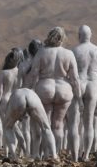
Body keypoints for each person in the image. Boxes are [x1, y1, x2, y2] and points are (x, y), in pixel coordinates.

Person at [29, 27, 80, 159]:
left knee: (45, 125)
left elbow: (34, 74)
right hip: (64, 89)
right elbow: (74, 78)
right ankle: (54, 153)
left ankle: (45, 153)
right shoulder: (69, 54)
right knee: (58, 124)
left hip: (45, 88)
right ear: (63, 39)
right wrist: (79, 96)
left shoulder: (41, 52)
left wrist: (30, 90)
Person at [71, 25, 97, 161]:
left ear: (79, 35)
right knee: (89, 122)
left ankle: (75, 155)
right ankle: (85, 155)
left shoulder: (75, 51)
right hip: (93, 85)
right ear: (90, 35)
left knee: (75, 123)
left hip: (79, 83)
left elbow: (71, 75)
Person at [2, 88, 56, 161]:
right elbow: (37, 133)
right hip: (33, 99)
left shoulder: (11, 98)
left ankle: (14, 156)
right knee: (46, 128)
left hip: (17, 99)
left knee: (7, 127)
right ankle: (54, 156)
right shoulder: (33, 93)